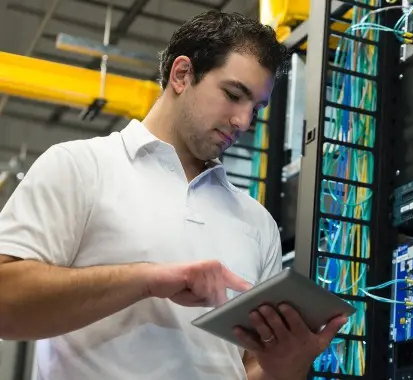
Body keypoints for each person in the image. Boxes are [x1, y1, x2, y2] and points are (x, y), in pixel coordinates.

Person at [0, 10, 347, 380]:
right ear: (182, 74)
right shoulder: (80, 167)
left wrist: (285, 366)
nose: (243, 122)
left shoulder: (257, 223)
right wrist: (148, 279)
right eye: (233, 95)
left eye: (256, 109)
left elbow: (246, 367)